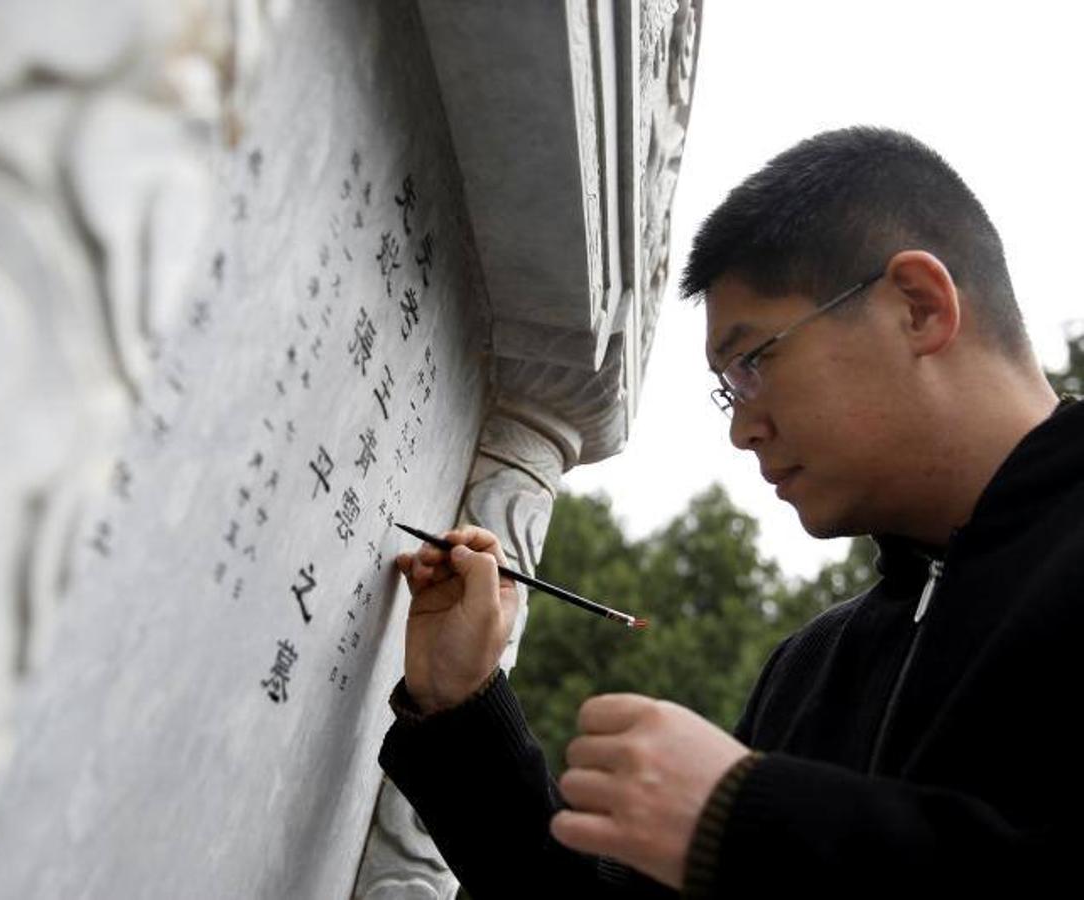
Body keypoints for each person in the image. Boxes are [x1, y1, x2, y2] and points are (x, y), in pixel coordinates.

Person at [377, 126, 1083, 898]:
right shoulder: (813, 667)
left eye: (753, 362)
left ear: (917, 306)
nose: (741, 428)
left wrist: (747, 820)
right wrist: (461, 707)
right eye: (727, 387)